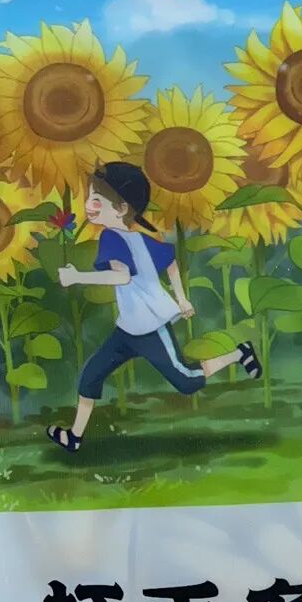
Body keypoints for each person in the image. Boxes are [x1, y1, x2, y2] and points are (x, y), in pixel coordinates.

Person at [45, 161, 261, 453]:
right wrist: (181, 298)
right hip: (126, 330)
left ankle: (239, 353)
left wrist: (77, 277)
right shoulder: (135, 238)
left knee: (187, 381)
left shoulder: (113, 237)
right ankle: (74, 436)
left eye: (96, 200)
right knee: (90, 375)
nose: (88, 206)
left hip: (150, 329)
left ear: (121, 208)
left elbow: (122, 276)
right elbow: (170, 263)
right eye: (89, 198)